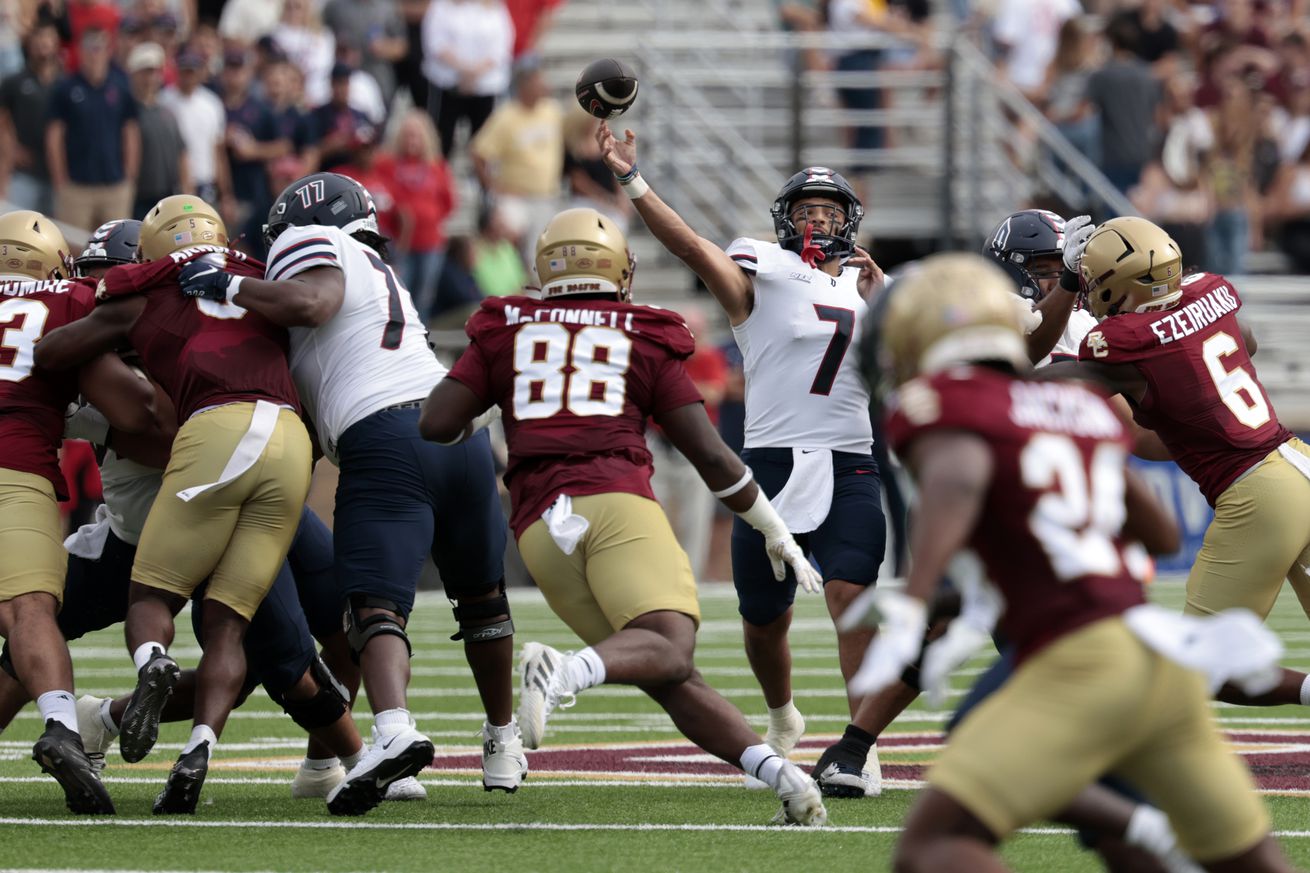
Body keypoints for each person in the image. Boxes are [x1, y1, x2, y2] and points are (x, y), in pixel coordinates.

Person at [850, 250, 1294, 873]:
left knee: (931, 847)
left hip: (1079, 662)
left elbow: (959, 479)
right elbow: (1161, 534)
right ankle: (1140, 827)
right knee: (1245, 861)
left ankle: (1141, 826)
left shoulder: (945, 404)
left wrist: (918, 595)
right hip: (1154, 656)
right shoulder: (1081, 409)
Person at [417, 207, 829, 827]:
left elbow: (437, 424)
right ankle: (561, 672)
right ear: (619, 269)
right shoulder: (641, 332)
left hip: (537, 529)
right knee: (670, 642)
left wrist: (504, 401)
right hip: (612, 501)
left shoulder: (509, 326)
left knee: (664, 666)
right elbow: (712, 456)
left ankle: (784, 778)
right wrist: (775, 529)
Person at [176, 172, 519, 816]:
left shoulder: (313, 241)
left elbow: (312, 303)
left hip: (388, 434)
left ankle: (391, 730)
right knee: (481, 598)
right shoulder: (378, 270)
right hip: (461, 434)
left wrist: (228, 283)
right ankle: (502, 743)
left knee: (371, 607)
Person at [598, 124, 889, 800]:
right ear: (784, 222)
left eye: (830, 211)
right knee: (764, 617)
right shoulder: (761, 270)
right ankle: (784, 711)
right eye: (806, 211)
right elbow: (691, 245)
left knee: (853, 597)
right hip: (775, 464)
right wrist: (632, 180)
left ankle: (862, 740)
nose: (818, 220)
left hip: (851, 459)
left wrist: (891, 308)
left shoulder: (875, 288)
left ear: (850, 222)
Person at [33, 195, 314, 815]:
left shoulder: (145, 290)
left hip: (216, 429)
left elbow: (52, 352)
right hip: (293, 439)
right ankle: (201, 749)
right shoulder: (258, 274)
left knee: (150, 598)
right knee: (228, 622)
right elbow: (308, 310)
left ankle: (153, 661)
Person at [1045, 215, 1310, 713]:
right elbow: (1245, 344)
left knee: (1202, 663)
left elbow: (1041, 379)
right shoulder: (1210, 291)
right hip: (1298, 462)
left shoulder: (1117, 344)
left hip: (1257, 494)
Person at [0, 209, 158, 815]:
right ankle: (64, 726)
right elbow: (136, 410)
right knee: (29, 610)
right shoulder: (70, 298)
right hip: (14, 464)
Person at [46, 28, 140, 230]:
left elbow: (130, 131)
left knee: (117, 248)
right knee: (75, 249)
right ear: (80, 51)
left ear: (108, 51)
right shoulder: (66, 88)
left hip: (114, 185)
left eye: (99, 48)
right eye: (90, 48)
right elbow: (55, 135)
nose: (94, 54)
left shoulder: (121, 86)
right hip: (76, 186)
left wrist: (130, 176)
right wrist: (60, 179)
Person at [0, 22, 62, 214]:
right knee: (16, 229)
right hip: (23, 173)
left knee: (57, 237)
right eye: (38, 38)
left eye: (48, 38)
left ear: (56, 43)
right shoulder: (14, 82)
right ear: (29, 44)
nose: (43, 44)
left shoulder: (66, 83)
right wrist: (12, 150)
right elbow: (2, 121)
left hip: (57, 174)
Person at [126, 42, 188, 220]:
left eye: (155, 72)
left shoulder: (166, 112)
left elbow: (181, 153)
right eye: (146, 72)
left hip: (167, 196)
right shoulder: (128, 112)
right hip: (138, 197)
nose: (151, 78)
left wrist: (186, 190)